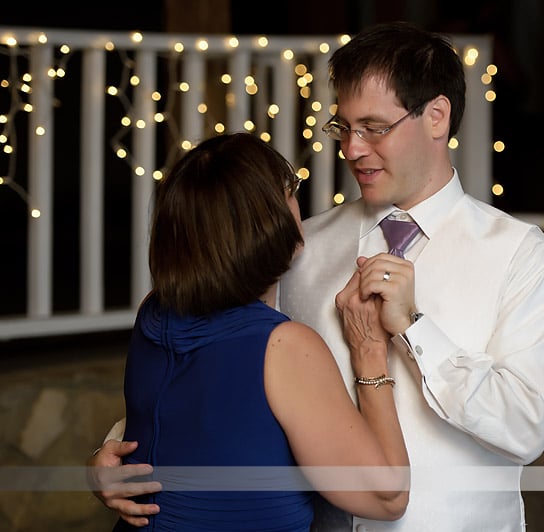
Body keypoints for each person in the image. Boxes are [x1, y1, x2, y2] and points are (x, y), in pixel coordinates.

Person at [91, 21, 544, 531]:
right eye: (344, 127)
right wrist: (116, 453)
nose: (352, 149)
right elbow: (223, 373)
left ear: (436, 117)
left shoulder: (520, 254)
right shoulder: (299, 244)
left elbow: (526, 429)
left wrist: (414, 327)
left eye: (374, 127)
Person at [87, 132, 409, 531]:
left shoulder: (152, 311)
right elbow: (387, 496)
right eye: (288, 190)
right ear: (265, 222)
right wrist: (370, 352)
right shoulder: (283, 347)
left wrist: (101, 457)